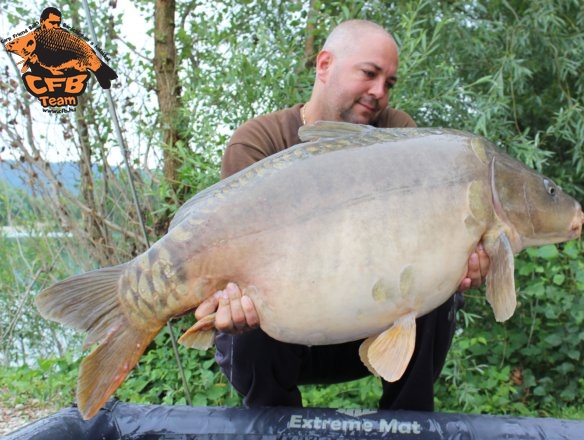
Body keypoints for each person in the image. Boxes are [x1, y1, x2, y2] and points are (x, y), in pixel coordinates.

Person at [194, 19, 489, 411]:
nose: (379, 92)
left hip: (367, 327)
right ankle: (274, 425)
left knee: (438, 289)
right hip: (281, 335)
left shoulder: (397, 134)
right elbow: (233, 262)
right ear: (324, 65)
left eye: (389, 82)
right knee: (248, 311)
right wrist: (227, 299)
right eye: (369, 73)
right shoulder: (258, 143)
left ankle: (407, 424)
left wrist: (460, 259)